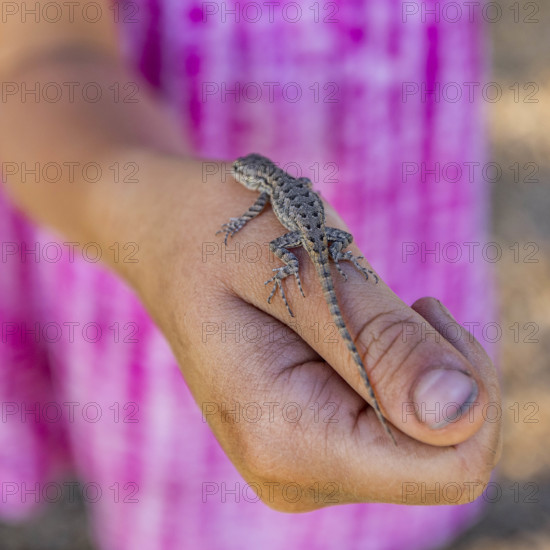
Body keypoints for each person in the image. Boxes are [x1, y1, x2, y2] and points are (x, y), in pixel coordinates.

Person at [0, 1, 501, 548]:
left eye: (244, 173)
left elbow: (252, 219)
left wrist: (282, 258)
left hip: (395, 195)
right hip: (178, 219)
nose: (239, 176)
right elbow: (42, 56)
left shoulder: (263, 202)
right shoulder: (270, 191)